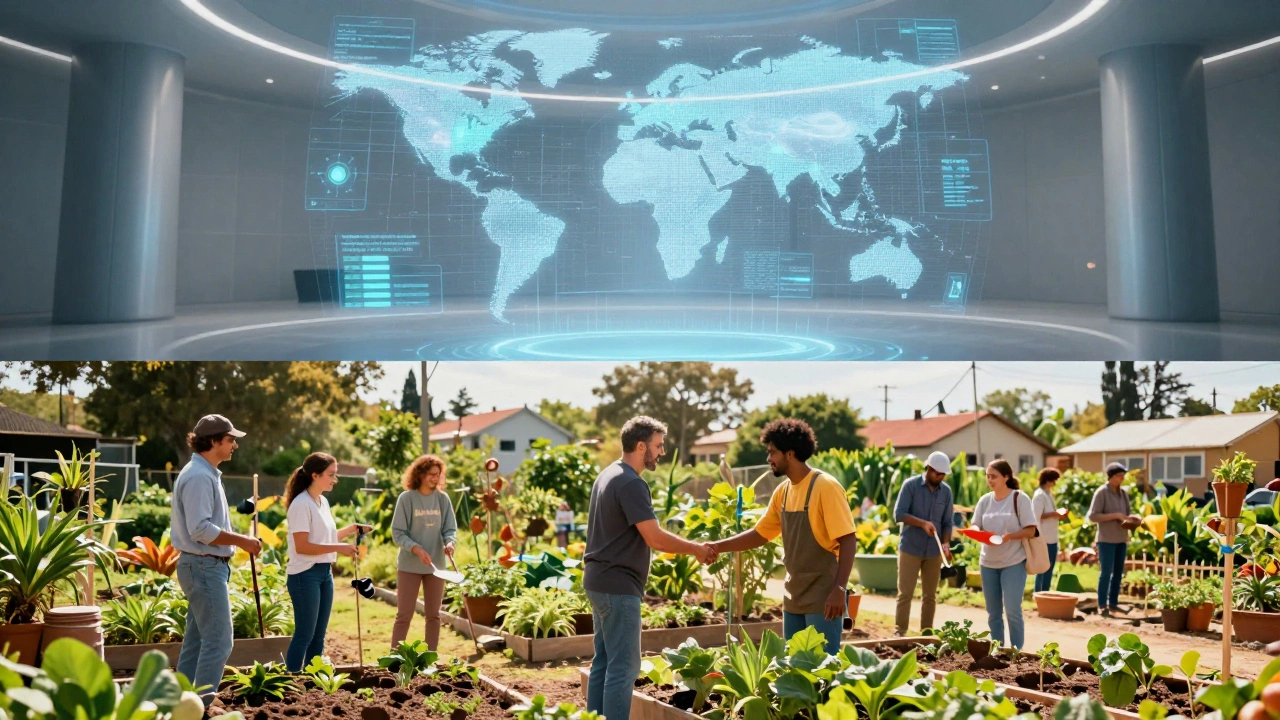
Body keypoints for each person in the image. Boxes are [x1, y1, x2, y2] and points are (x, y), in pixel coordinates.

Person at [584, 416, 716, 720]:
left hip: (599, 582)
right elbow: (655, 537)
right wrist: (696, 548)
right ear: (641, 445)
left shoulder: (608, 474)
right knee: (624, 668)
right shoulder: (631, 482)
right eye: (658, 446)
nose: (662, 452)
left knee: (603, 662)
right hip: (618, 588)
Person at [708, 418, 858, 655]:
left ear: (790, 454)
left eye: (772, 452)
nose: (768, 459)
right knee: (794, 666)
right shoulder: (784, 491)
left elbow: (848, 540)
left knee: (823, 667)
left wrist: (839, 589)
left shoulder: (825, 487)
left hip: (824, 593)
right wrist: (718, 546)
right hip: (794, 592)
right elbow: (760, 534)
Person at [170, 415, 262, 707]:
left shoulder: (206, 473)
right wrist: (242, 540)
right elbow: (200, 530)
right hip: (203, 566)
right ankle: (200, 706)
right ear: (213, 441)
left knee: (196, 644)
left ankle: (180, 704)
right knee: (220, 642)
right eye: (230, 439)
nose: (235, 444)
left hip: (203, 566)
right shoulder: (198, 476)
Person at [283, 452, 370, 671]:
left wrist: (351, 530)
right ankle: (291, 681)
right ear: (315, 475)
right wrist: (340, 548)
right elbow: (302, 546)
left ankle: (313, 684)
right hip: (305, 575)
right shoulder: (301, 504)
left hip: (324, 574)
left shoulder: (322, 502)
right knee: (305, 634)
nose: (335, 479)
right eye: (331, 474)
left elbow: (324, 538)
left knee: (319, 636)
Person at [391, 453, 458, 651]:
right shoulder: (407, 499)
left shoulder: (442, 499)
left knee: (433, 615)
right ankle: (394, 658)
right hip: (409, 566)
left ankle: (431, 657)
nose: (435, 478)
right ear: (419, 474)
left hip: (436, 567)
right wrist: (416, 548)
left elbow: (449, 529)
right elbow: (398, 533)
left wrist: (450, 543)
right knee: (404, 614)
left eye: (438, 474)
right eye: (431, 474)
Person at [970, 459, 1040, 649]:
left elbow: (1032, 530)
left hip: (1013, 562)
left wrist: (1009, 536)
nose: (990, 480)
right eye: (988, 476)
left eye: (994, 476)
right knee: (993, 612)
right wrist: (975, 531)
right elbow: (976, 524)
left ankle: (1017, 651)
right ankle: (998, 649)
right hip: (988, 563)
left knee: (1012, 610)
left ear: (1006, 477)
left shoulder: (1019, 498)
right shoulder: (985, 501)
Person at [892, 451, 954, 636]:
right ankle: (900, 630)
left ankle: (926, 632)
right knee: (905, 593)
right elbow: (899, 514)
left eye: (943, 474)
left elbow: (947, 522)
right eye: (937, 473)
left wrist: (946, 543)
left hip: (934, 551)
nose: (940, 477)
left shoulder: (946, 492)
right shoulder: (910, 486)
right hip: (911, 547)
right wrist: (923, 523)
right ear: (928, 468)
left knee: (930, 596)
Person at [1088, 462, 1141, 616]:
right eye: (1119, 475)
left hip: (1121, 538)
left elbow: (1125, 515)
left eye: (1123, 475)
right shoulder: (1101, 492)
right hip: (1106, 539)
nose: (1122, 478)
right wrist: (1115, 516)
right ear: (1111, 476)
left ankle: (1113, 603)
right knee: (1106, 572)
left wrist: (1133, 519)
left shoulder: (1123, 493)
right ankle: (1102, 605)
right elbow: (1093, 516)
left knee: (1118, 573)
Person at [1031, 468, 1067, 593]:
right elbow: (1037, 516)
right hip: (1043, 537)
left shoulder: (1048, 494)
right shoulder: (1039, 495)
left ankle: (1045, 592)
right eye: (1053, 481)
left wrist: (1056, 514)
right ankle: (1039, 593)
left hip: (1051, 537)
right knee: (1043, 568)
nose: (1054, 484)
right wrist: (1054, 514)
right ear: (1048, 481)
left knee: (1049, 567)